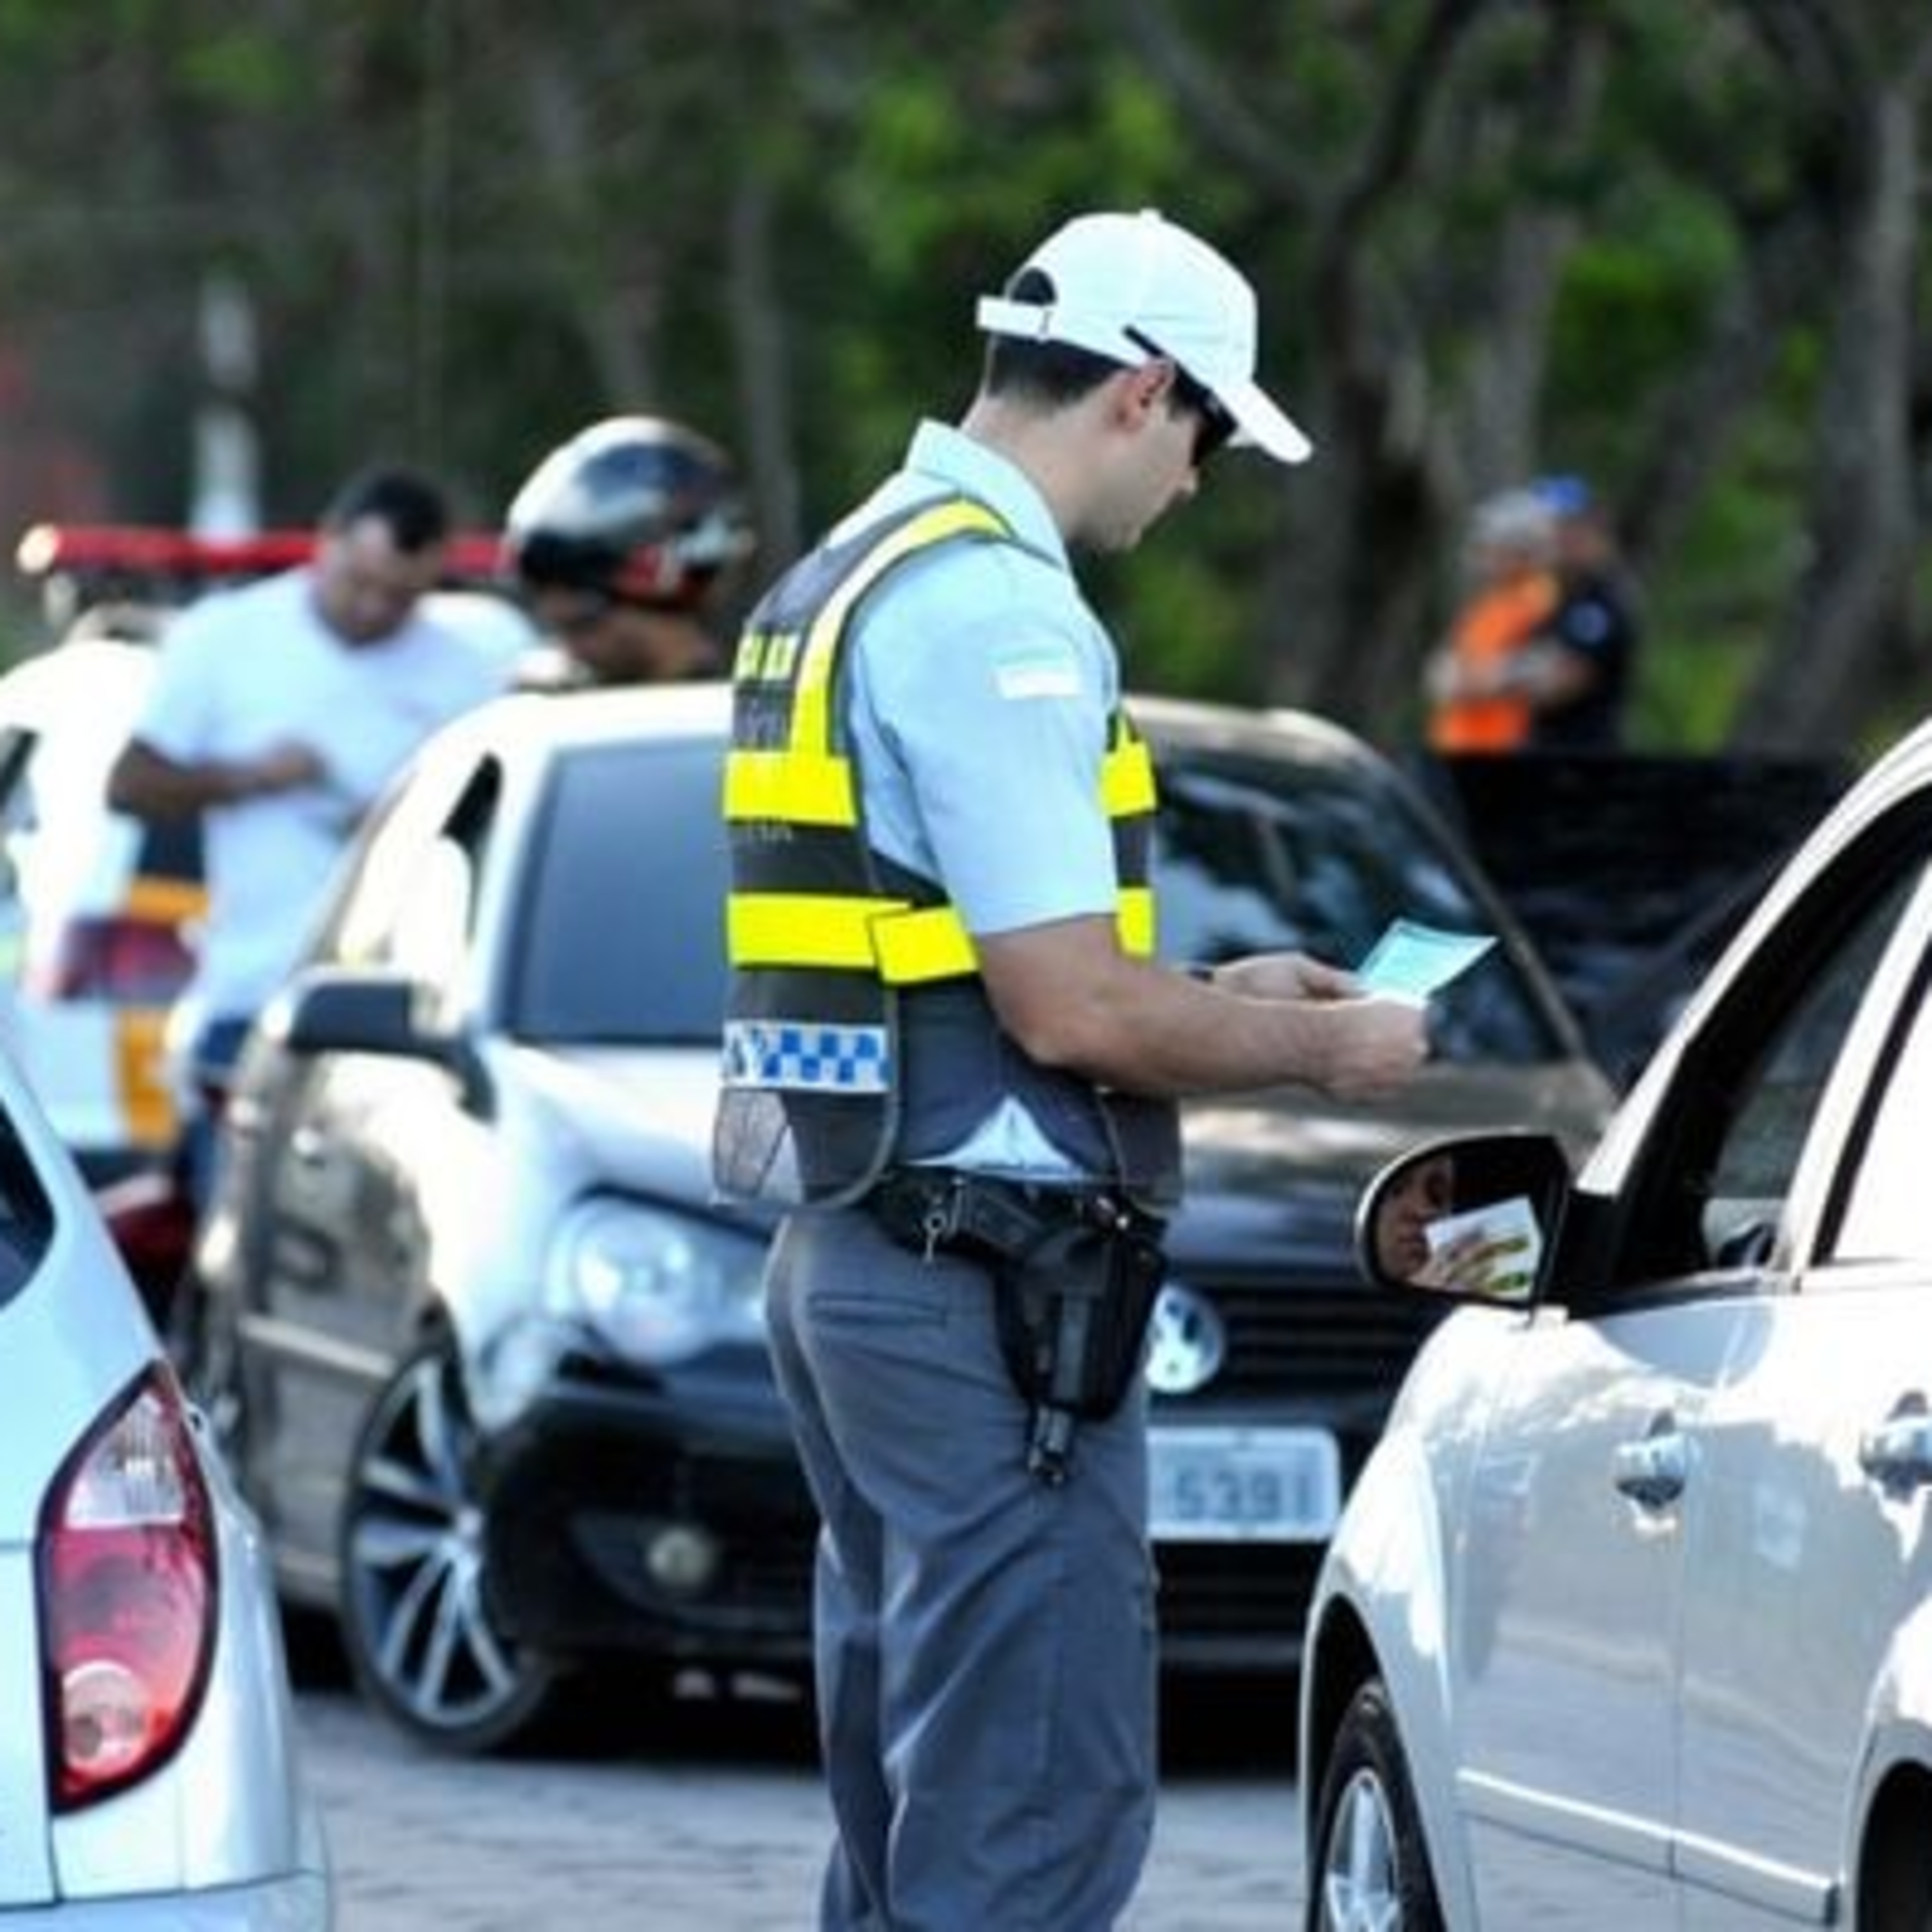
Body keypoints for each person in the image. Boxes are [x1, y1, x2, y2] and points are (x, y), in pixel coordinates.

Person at [712, 206, 1429, 1929]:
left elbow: (972, 961)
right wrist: (1328, 1048)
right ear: (1142, 391)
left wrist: (1211, 987)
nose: (1193, 485)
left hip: (871, 1250)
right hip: (987, 1291)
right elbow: (1071, 1016)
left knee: (918, 1804)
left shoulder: (851, 572)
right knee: (1030, 1802)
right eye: (1205, 439)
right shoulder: (996, 618)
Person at [105, 464, 508, 1205]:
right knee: (233, 1233)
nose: (372, 607)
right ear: (325, 542)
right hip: (251, 1003)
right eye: (359, 580)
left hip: (406, 1022)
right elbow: (128, 785)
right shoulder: (225, 639)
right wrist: (248, 779)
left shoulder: (469, 670)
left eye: (399, 596)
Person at [502, 414, 756, 687]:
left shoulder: (757, 719)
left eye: (585, 623)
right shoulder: (549, 713)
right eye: (556, 629)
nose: (571, 650)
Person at [1422, 486, 1561, 753]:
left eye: (1491, 547)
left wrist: (1473, 679)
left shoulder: (1541, 601)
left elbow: (1539, 672)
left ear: (1524, 551)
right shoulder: (1488, 602)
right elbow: (1448, 667)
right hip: (1460, 744)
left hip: (1503, 749)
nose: (1481, 557)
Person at [1517, 471, 1640, 748]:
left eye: (1562, 526)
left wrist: (1494, 678)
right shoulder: (1547, 597)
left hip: (1584, 762)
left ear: (1590, 530)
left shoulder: (1602, 602)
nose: (1549, 537)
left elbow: (1558, 685)